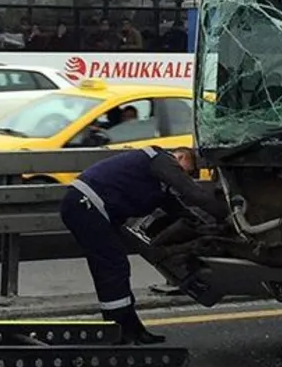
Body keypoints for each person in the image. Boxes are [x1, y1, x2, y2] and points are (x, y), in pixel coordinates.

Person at [59, 146, 225, 344]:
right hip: (85, 204)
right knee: (111, 268)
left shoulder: (159, 182)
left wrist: (208, 227)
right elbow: (194, 194)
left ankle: (132, 327)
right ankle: (119, 330)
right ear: (179, 157)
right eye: (187, 171)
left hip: (91, 208)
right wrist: (227, 217)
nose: (186, 176)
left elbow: (179, 210)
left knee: (117, 267)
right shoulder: (160, 159)